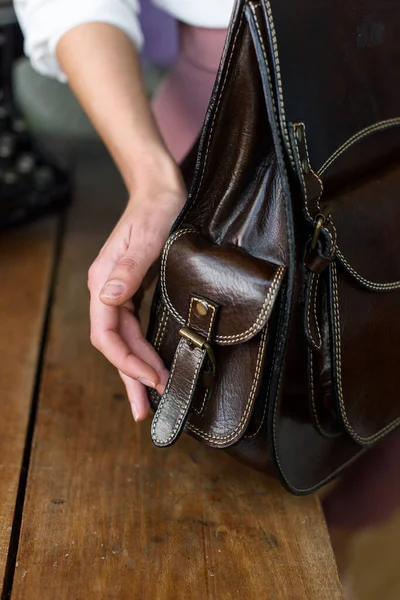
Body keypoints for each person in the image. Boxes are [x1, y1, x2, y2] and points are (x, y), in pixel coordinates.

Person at [14, 0, 400, 557]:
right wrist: (152, 182)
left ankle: (344, 557)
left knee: (379, 433)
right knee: (233, 481)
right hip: (230, 129)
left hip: (382, 113)